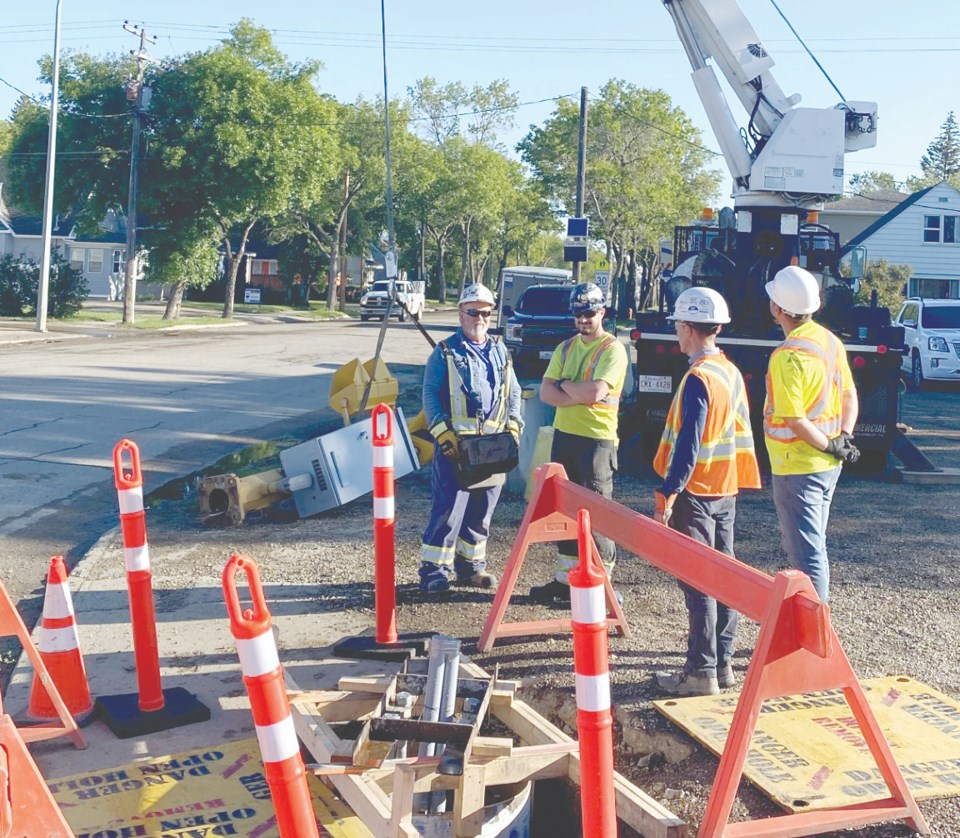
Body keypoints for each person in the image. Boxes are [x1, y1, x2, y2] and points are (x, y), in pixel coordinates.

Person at [650, 287, 761, 697]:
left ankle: (700, 672)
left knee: (700, 582)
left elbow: (688, 445)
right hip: (725, 489)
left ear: (687, 327)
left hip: (696, 491)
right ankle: (723, 664)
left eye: (677, 326)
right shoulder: (728, 370)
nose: (676, 334)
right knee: (724, 575)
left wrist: (669, 493)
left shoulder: (699, 378)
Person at [764, 265, 860, 605]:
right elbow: (849, 395)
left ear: (777, 308)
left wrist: (830, 443)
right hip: (826, 464)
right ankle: (811, 630)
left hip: (797, 465)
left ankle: (815, 635)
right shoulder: (829, 341)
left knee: (806, 554)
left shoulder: (788, 355)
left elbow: (792, 418)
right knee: (813, 545)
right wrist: (842, 440)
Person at [419, 283, 523, 597]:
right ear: (460, 314)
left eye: (486, 312)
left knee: (481, 513)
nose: (480, 317)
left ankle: (472, 567)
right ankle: (435, 571)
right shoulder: (445, 351)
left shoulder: (501, 350)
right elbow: (430, 396)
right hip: (456, 449)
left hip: (493, 449)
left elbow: (514, 393)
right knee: (449, 510)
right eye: (473, 311)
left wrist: (514, 428)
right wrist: (442, 434)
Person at [529, 282, 628, 605]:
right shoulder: (567, 348)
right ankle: (566, 581)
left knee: (596, 513)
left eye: (588, 313)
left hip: (596, 442)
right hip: (566, 437)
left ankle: (602, 586)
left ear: (601, 312)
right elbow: (546, 393)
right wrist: (576, 393)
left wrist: (566, 386)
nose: (583, 320)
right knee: (566, 511)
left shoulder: (612, 349)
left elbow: (595, 393)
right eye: (578, 314)